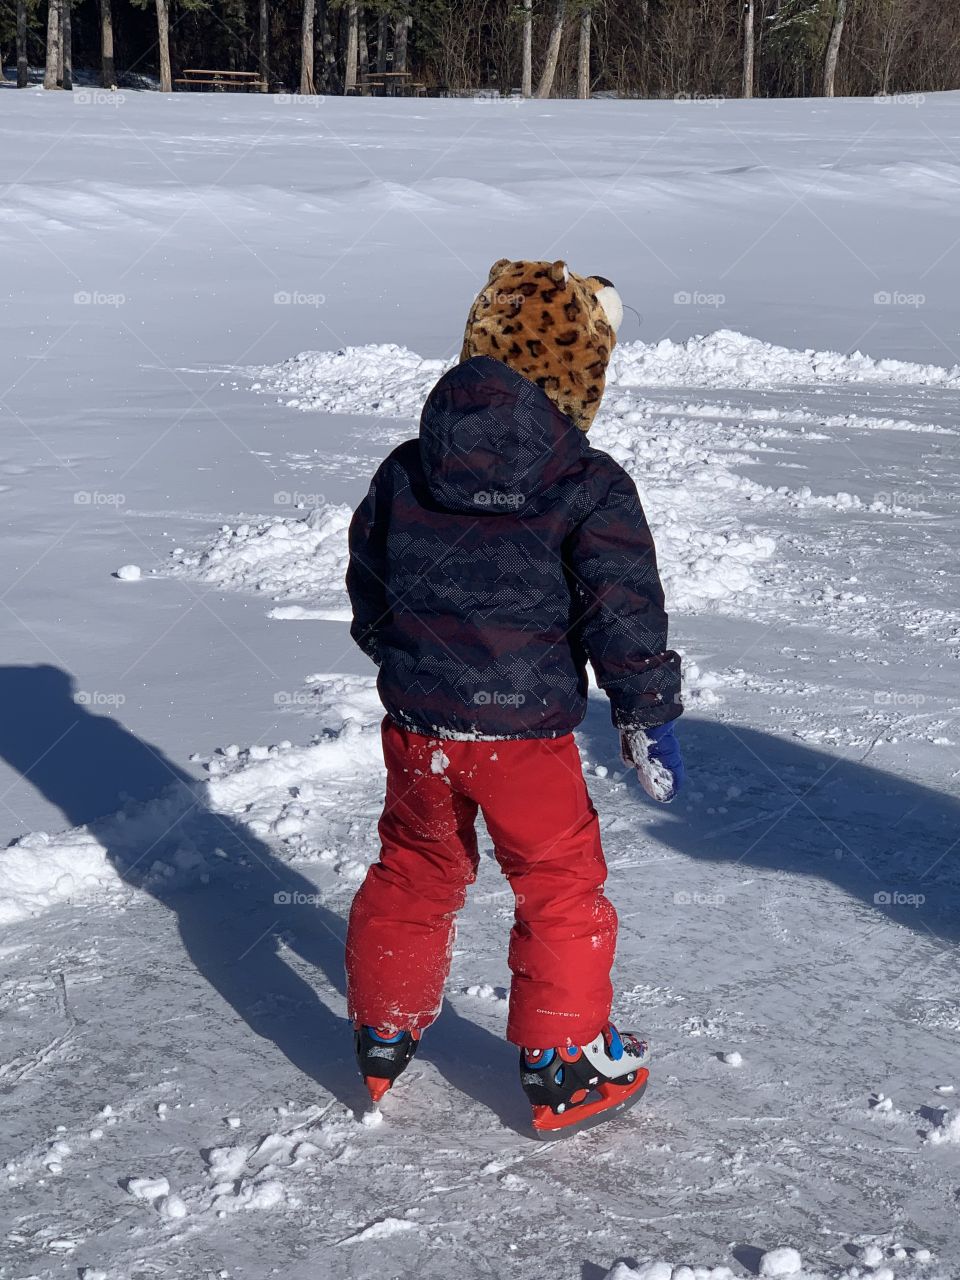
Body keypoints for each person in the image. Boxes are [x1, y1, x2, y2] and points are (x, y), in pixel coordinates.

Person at [344, 259, 684, 1134]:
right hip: (522, 742)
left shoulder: (408, 467)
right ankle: (566, 1063)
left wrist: (406, 661)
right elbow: (623, 609)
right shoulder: (588, 481)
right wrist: (644, 708)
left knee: (415, 868)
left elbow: (370, 581)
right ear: (580, 373)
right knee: (559, 884)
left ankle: (384, 1027)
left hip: (418, 728)